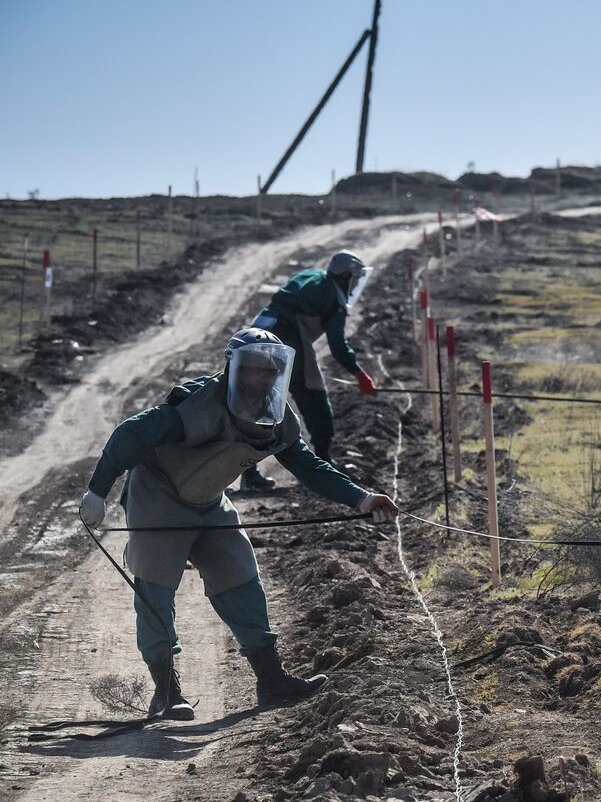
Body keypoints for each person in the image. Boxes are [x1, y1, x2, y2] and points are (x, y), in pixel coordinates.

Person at [78, 328, 399, 719]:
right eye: (253, 369)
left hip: (210, 502)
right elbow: (130, 434)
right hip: (158, 499)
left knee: (240, 576)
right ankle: (166, 693)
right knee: (156, 592)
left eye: (271, 370)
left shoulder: (275, 416)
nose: (262, 378)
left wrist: (362, 498)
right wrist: (97, 491)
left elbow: (307, 465)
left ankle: (271, 680)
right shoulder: (196, 406)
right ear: (232, 367)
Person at [239, 250, 378, 491]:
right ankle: (323, 463)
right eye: (355, 279)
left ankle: (248, 473)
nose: (355, 285)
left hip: (258, 332)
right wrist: (359, 374)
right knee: (314, 397)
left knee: (259, 403)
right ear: (346, 276)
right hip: (288, 339)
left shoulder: (310, 275)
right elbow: (337, 346)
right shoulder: (334, 298)